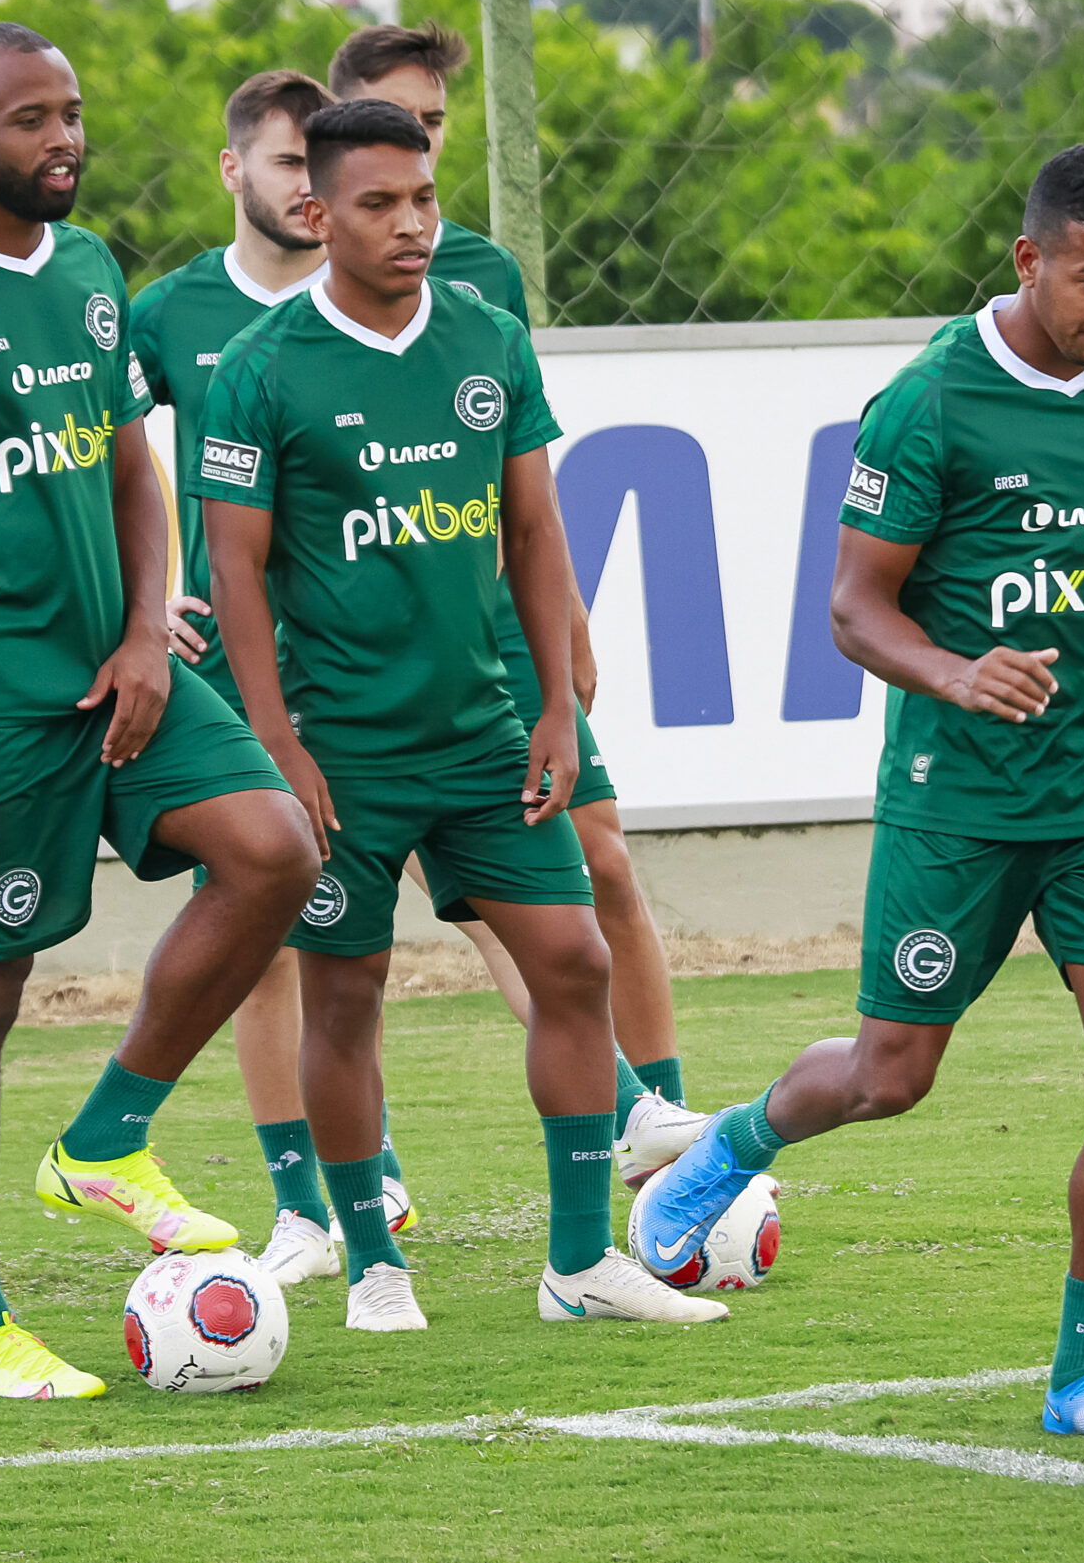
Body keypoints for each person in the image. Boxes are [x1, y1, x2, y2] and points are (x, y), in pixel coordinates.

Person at [631, 145, 1084, 1429]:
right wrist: (957, 673)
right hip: (959, 803)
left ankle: (1079, 1377)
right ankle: (731, 1146)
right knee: (890, 1076)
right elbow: (855, 613)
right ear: (1029, 260)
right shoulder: (927, 403)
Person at [0, 23, 319, 1400]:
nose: (65, 141)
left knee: (277, 848)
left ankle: (105, 1136)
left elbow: (127, 470)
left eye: (74, 114)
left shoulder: (95, 270)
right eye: (33, 121)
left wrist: (149, 623)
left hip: (124, 671)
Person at [195, 98, 730, 1333]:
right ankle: (374, 1261)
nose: (412, 224)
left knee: (575, 964)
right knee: (347, 996)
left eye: (423, 197)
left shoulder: (486, 335)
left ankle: (580, 1263)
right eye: (378, 204)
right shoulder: (263, 369)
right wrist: (275, 745)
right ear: (315, 213)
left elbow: (534, 527)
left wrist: (554, 701)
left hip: (484, 732)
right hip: (342, 753)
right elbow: (234, 572)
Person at [329, 23, 708, 1187]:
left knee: (597, 867)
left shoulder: (482, 279)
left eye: (438, 132)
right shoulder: (269, 310)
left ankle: (663, 1131)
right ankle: (346, 1173)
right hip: (349, 657)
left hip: (489, 625)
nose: (420, 168)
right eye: (401, 127)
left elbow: (519, 484)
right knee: (345, 938)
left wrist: (567, 624)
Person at [127, 70, 378, 1288]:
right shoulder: (165, 313)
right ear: (236, 171)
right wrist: (138, 603)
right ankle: (303, 1208)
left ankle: (628, 1139)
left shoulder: (392, 308)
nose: (301, 186)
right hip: (241, 670)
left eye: (311, 164)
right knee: (272, 924)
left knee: (499, 902)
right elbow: (104, 456)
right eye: (282, 163)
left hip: (379, 662)